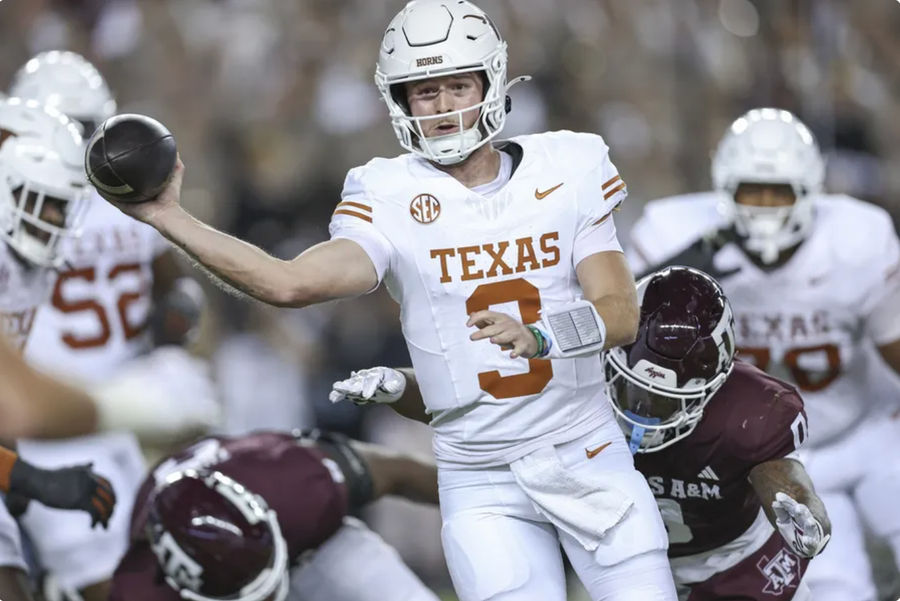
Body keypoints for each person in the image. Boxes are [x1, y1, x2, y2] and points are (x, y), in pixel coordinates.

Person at [100, 1, 676, 598]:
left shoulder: (570, 165)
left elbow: (620, 311)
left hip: (588, 450)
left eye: (459, 85)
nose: (447, 107)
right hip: (482, 482)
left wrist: (541, 336)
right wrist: (169, 217)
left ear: (492, 80)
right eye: (426, 92)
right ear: (400, 100)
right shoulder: (388, 191)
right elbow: (288, 283)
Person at [332, 266, 833, 600]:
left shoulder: (752, 413)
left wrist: (799, 507)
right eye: (633, 390)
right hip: (620, 567)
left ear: (714, 385)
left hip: (734, 561)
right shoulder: (577, 370)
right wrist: (401, 388)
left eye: (663, 401)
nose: (643, 412)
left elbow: (780, 473)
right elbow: (467, 406)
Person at [626, 108, 900, 601]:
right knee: (839, 589)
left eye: (780, 192)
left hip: (864, 428)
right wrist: (682, 269)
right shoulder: (673, 236)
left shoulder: (858, 239)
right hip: (767, 452)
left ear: (810, 189)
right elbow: (627, 334)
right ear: (723, 189)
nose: (766, 207)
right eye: (753, 191)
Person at [8, 50, 218, 601]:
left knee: (135, 574)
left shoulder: (31, 204)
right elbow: (177, 296)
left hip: (65, 411)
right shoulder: (118, 198)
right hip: (110, 402)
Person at [0, 98, 117, 601]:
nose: (50, 217)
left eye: (61, 204)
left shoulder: (27, 259)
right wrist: (27, 478)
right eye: (39, 198)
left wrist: (17, 472)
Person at [108, 429, 441, 601]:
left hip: (311, 549)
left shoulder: (297, 486)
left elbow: (402, 472)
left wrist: (489, 501)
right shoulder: (140, 587)